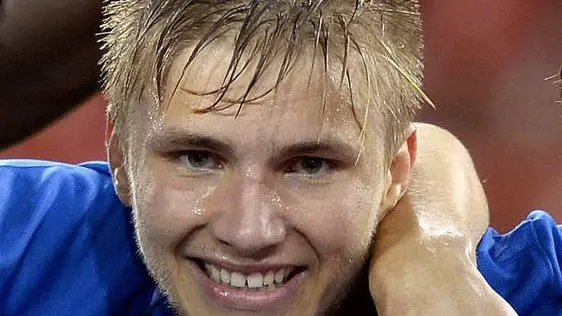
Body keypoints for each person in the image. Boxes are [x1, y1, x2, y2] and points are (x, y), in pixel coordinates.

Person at [0, 0, 559, 315]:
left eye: (310, 166)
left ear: (396, 174)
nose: (249, 231)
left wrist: (433, 253)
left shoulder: (518, 293)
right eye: (197, 158)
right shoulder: (30, 240)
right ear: (118, 154)